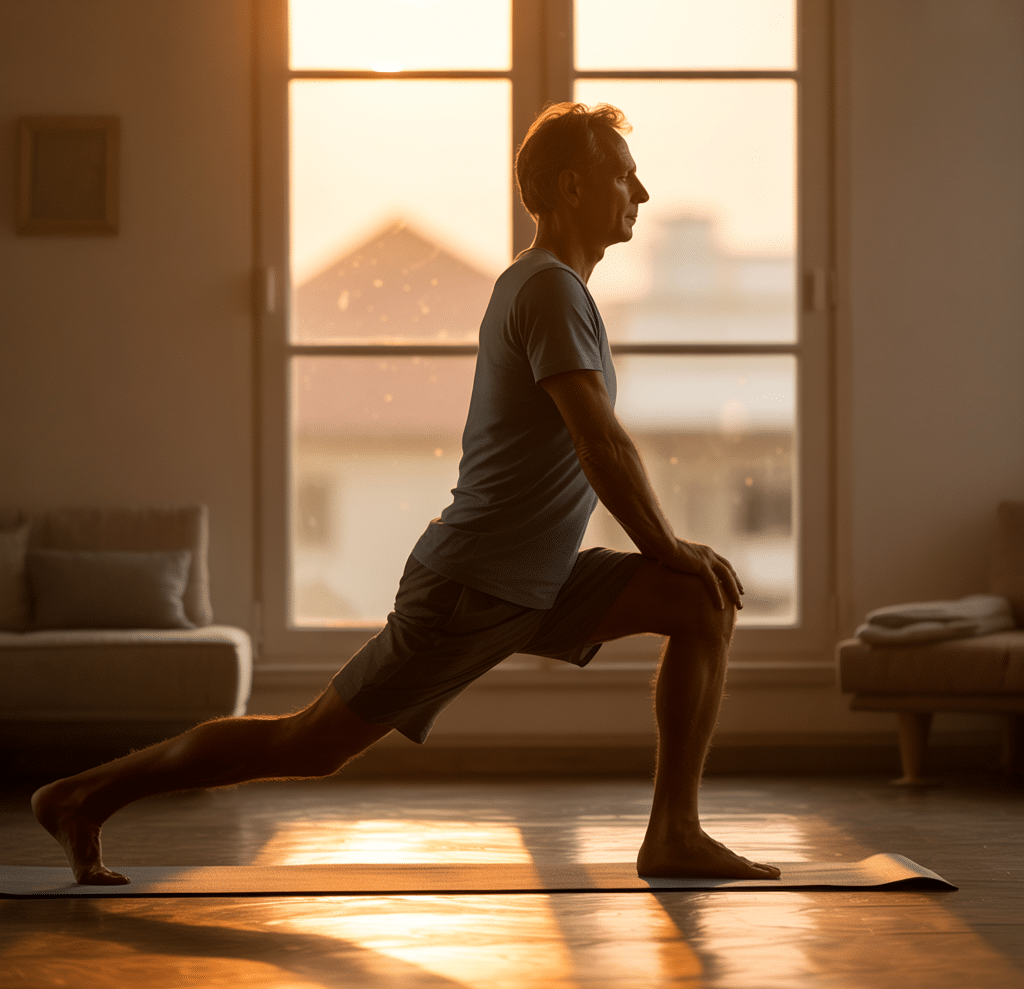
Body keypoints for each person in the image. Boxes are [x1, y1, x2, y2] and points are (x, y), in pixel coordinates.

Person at [32, 102, 781, 885]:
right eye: (625, 176)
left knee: (700, 600)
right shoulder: (549, 291)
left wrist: (672, 559)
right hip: (474, 585)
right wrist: (666, 545)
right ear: (570, 187)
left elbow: (592, 446)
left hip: (537, 577)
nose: (644, 193)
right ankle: (82, 795)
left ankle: (674, 835)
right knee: (307, 745)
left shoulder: (559, 290)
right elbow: (600, 441)